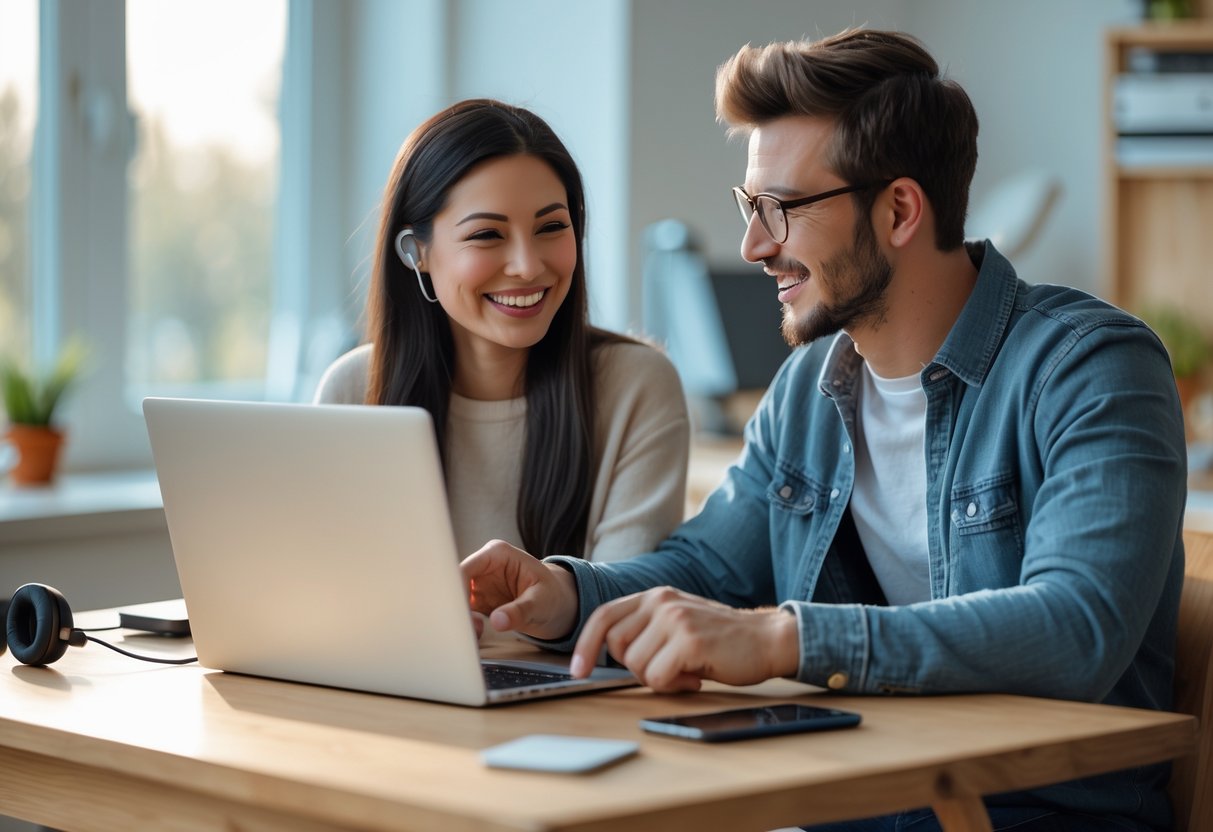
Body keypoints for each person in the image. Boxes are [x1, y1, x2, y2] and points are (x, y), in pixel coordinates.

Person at [461, 29, 1187, 832]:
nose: (753, 245)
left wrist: (786, 640)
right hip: (855, 804)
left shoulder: (1089, 367)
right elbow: (708, 567)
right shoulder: (811, 383)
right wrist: (560, 593)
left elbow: (1075, 626)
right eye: (749, 207)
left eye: (781, 209)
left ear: (899, 210)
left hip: (1040, 815)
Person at [315, 99, 689, 569]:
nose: (529, 265)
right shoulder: (354, 390)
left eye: (552, 226)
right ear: (416, 252)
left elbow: (621, 612)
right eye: (487, 235)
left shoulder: (635, 386)